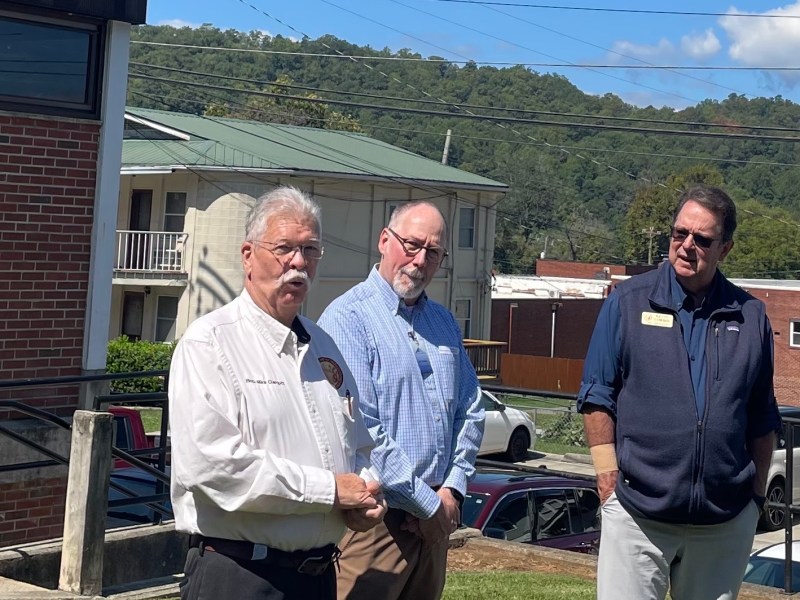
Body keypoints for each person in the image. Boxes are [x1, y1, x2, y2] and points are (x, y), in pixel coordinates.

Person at [168, 186, 387, 600]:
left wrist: (365, 493)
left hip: (318, 577)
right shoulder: (209, 344)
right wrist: (329, 491)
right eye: (285, 248)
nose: (299, 263)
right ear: (248, 255)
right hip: (241, 576)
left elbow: (360, 446)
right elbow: (212, 467)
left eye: (310, 250)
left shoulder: (325, 346)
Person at [578, 184, 780, 600]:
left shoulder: (752, 317)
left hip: (723, 524)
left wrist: (755, 499)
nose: (686, 245)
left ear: (725, 248)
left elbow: (762, 417)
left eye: (702, 239)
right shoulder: (628, 303)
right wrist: (608, 481)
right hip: (637, 516)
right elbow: (597, 396)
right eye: (679, 233)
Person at [318, 201, 484, 600]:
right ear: (383, 240)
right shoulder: (347, 319)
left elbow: (472, 408)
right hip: (374, 523)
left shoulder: (443, 322)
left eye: (434, 253)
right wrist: (431, 507)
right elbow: (363, 429)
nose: (420, 260)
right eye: (411, 245)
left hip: (435, 521)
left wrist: (453, 492)